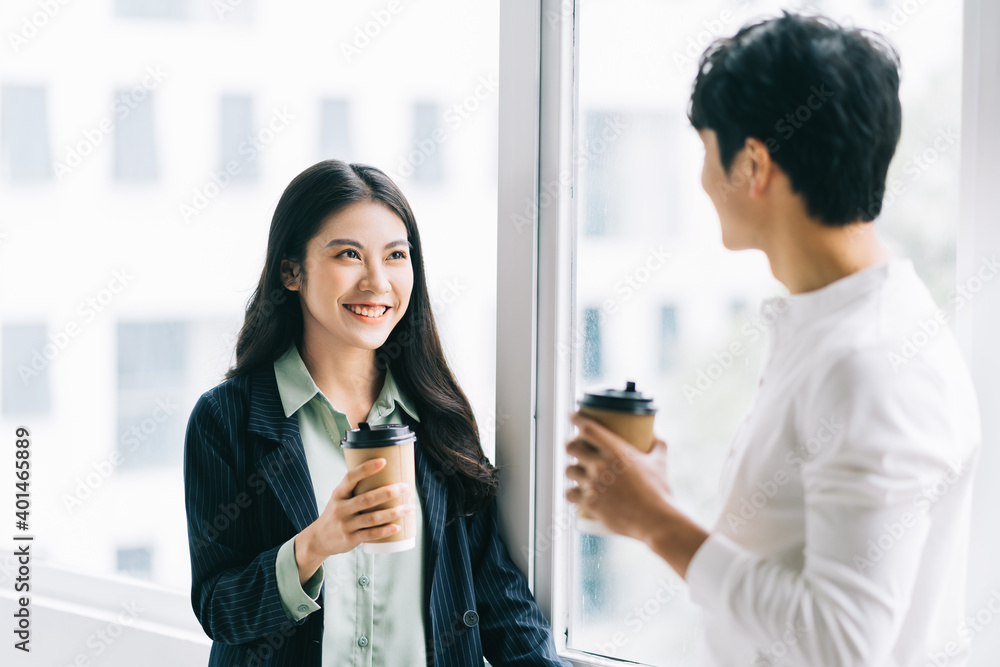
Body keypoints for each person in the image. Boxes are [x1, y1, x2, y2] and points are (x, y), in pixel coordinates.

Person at [565, 12, 980, 667]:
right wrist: (656, 503)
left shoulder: (872, 363)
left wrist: (654, 520)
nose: (701, 181)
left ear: (753, 162)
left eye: (706, 149)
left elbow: (842, 646)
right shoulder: (833, 325)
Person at [184, 159, 570, 667]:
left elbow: (495, 595)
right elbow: (219, 608)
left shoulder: (438, 416)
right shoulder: (226, 420)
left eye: (395, 256)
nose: (377, 281)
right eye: (349, 254)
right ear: (291, 270)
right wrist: (315, 545)